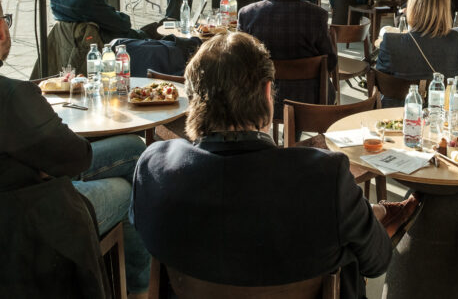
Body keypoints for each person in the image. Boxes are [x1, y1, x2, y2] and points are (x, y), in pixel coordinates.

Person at [131, 32, 423, 298]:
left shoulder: (153, 168)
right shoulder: (324, 177)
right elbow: (376, 262)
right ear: (268, 93)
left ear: (192, 99)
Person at [0, 0, 151, 298]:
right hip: (23, 228)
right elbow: (77, 159)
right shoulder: (10, 95)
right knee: (128, 189)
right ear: (1, 30)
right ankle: (139, 288)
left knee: (132, 148)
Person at [238, 0, 337, 122]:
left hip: (259, 100)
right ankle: (294, 137)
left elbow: (239, 62)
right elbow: (330, 62)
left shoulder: (247, 14)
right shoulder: (317, 15)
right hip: (309, 100)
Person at [376, 0, 458, 107]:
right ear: (446, 5)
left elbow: (380, 84)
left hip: (395, 118)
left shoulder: (390, 42)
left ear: (413, 3)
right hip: (442, 117)